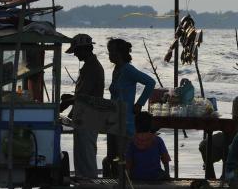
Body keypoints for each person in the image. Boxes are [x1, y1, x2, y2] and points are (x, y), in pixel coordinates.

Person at [107, 38, 156, 176]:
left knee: (123, 159)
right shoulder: (116, 70)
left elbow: (150, 83)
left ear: (120, 53)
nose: (109, 55)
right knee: (112, 157)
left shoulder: (128, 69)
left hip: (125, 122)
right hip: (113, 120)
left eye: (111, 52)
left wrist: (139, 103)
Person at [61, 33, 105, 179]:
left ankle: (91, 188)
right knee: (81, 155)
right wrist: (69, 99)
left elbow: (84, 96)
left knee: (86, 156)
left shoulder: (92, 67)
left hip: (89, 116)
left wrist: (67, 102)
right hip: (83, 116)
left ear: (85, 49)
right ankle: (85, 188)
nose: (75, 55)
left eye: (76, 51)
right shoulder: (89, 66)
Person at [126, 112, 171, 180]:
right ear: (150, 125)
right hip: (156, 176)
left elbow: (128, 162)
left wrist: (128, 178)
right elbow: (165, 159)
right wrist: (167, 175)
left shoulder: (132, 141)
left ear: (135, 125)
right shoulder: (157, 140)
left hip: (137, 176)